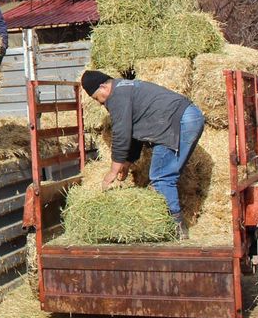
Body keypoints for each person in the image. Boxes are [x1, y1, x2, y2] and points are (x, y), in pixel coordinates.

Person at [81, 70, 205, 239]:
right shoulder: (126, 88)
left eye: (97, 98)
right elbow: (135, 132)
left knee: (161, 176)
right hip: (187, 117)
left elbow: (122, 132)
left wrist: (113, 169)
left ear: (103, 86)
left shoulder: (116, 96)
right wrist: (126, 162)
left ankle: (175, 229)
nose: (99, 103)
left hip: (177, 121)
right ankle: (174, 225)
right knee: (165, 175)